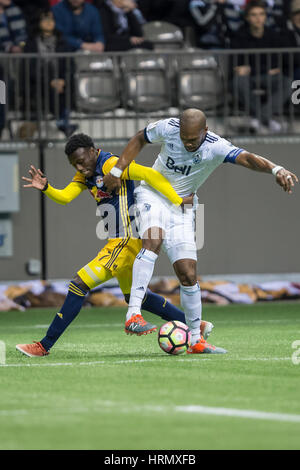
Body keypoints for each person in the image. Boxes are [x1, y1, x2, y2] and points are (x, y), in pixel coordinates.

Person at [102, 108, 298, 354]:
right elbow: (140, 138)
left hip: (182, 207)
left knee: (188, 273)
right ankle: (133, 315)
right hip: (152, 195)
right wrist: (118, 170)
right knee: (152, 240)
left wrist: (275, 169)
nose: (188, 143)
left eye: (193, 139)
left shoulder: (216, 146)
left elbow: (247, 158)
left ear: (205, 131)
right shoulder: (169, 127)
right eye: (184, 138)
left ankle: (195, 340)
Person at [15, 133, 213, 357]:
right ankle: (196, 325)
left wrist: (177, 200)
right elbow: (66, 197)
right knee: (137, 297)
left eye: (81, 161)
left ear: (93, 151)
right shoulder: (86, 174)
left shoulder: (110, 164)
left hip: (126, 239)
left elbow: (148, 174)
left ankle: (43, 346)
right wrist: (46, 188)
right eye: (74, 164)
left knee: (79, 284)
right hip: (123, 240)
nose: (79, 167)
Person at [231, 0, 292, 133]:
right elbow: (238, 67)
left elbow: (276, 64)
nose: (258, 18)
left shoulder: (274, 36)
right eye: (254, 15)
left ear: (265, 16)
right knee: (238, 82)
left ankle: (259, 118)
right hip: (250, 78)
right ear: (247, 18)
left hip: (266, 77)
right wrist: (263, 69)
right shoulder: (239, 37)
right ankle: (267, 120)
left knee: (287, 83)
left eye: (261, 14)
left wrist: (251, 68)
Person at [19, 9, 77, 139]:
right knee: (50, 91)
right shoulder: (31, 44)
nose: (48, 22)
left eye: (51, 19)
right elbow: (30, 69)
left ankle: (63, 121)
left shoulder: (62, 41)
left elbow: (70, 65)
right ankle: (63, 122)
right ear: (39, 22)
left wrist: (63, 80)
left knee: (62, 90)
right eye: (45, 19)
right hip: (37, 83)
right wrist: (50, 81)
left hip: (60, 82)